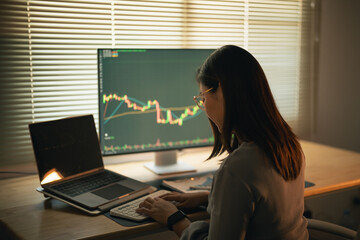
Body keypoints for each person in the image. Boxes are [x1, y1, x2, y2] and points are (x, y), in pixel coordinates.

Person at [136, 45, 308, 239]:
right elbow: (264, 203)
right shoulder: (288, 144)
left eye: (202, 97)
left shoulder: (238, 168)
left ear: (222, 92)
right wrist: (209, 196)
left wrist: (173, 217)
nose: (203, 107)